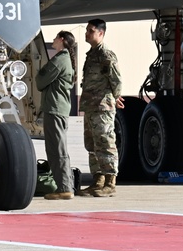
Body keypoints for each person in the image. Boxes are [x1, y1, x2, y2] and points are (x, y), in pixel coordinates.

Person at [79, 18, 123, 197]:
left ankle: (110, 182)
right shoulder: (91, 55)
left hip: (102, 107)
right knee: (92, 144)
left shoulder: (106, 55)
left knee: (105, 142)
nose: (87, 33)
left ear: (101, 33)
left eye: (90, 31)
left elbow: (116, 81)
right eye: (87, 30)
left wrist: (115, 97)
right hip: (90, 106)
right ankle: (98, 180)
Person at [37, 30, 77, 200]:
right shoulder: (64, 59)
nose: (53, 40)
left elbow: (40, 82)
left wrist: (41, 74)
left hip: (55, 109)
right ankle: (64, 186)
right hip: (56, 109)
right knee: (55, 149)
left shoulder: (60, 59)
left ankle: (65, 188)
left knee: (57, 150)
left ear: (62, 40)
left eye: (55, 38)